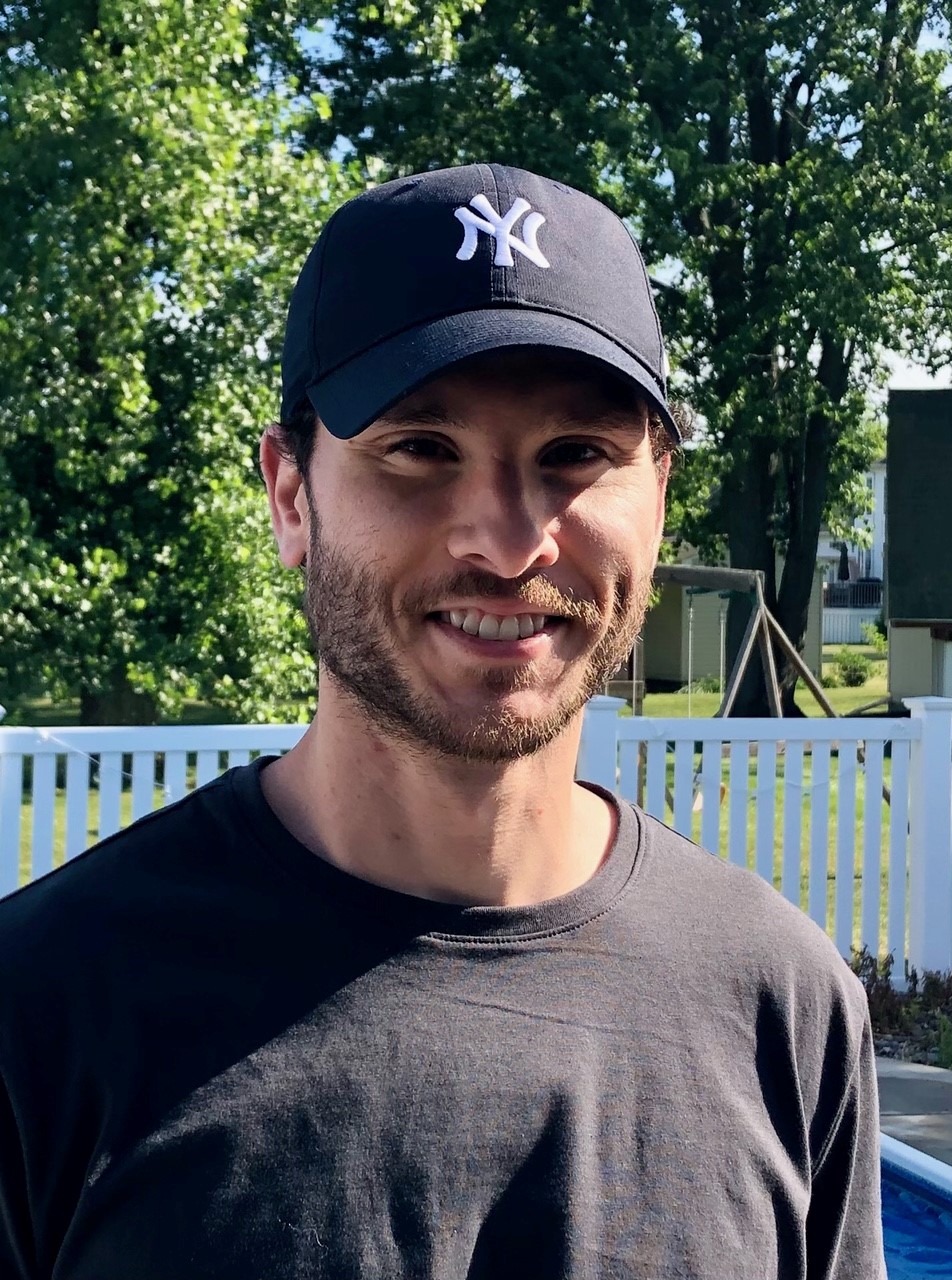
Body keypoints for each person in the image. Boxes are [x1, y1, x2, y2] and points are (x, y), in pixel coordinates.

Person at [0, 164, 885, 1279]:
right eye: (420, 448)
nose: (508, 543)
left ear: (658, 495)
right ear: (290, 494)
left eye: (576, 455)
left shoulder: (782, 1002)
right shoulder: (46, 1010)